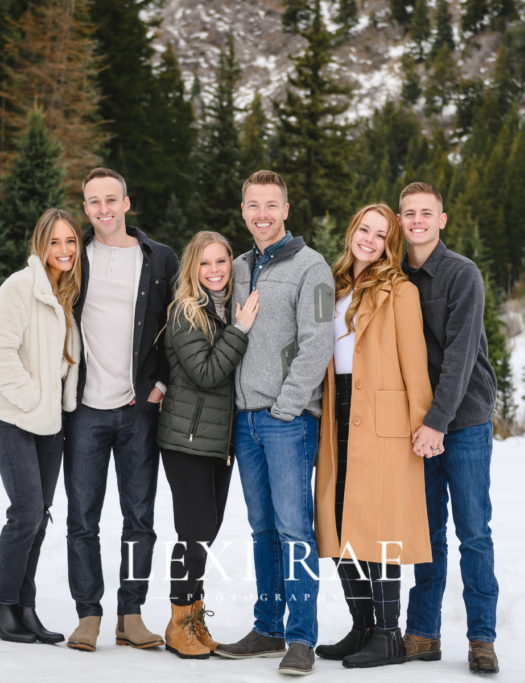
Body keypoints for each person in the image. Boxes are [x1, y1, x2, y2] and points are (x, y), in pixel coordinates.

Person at [214, 170, 335, 676]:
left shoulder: (315, 268)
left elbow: (319, 340)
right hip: (244, 423)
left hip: (288, 422)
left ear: (285, 209)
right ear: (243, 210)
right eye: (252, 205)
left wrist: (287, 405)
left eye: (271, 205)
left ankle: (302, 637)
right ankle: (268, 627)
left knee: (293, 530)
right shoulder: (238, 266)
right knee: (262, 529)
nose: (261, 214)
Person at [63, 168, 179, 653]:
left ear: (127, 203)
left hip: (138, 409)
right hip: (85, 409)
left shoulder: (160, 259)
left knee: (140, 518)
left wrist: (162, 383)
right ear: (85, 207)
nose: (103, 209)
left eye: (112, 199)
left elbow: (179, 324)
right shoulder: (73, 257)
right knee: (82, 518)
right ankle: (88, 615)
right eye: (94, 202)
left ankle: (130, 614)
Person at [312, 203, 433, 668]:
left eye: (381, 235)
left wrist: (422, 422)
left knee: (379, 527)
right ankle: (362, 626)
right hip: (336, 410)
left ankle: (387, 635)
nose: (370, 239)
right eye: (365, 229)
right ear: (352, 232)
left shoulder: (399, 291)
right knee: (341, 520)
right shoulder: (335, 283)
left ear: (390, 244)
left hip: (383, 418)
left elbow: (415, 362)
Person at [398, 182, 499, 674]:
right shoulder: (394, 277)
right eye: (409, 213)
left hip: (464, 422)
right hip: (417, 426)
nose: (417, 220)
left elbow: (459, 358)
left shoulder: (463, 274)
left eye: (426, 213)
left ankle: (482, 638)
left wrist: (436, 423)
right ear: (401, 221)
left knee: (474, 532)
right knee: (427, 532)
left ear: (442, 219)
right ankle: (422, 633)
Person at [0, 208, 83, 645]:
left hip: (50, 424)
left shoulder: (66, 293)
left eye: (71, 242)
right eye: (55, 242)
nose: (64, 250)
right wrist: (33, 399)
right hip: (13, 419)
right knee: (24, 514)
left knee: (38, 518)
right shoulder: (18, 288)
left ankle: (24, 609)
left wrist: (55, 408)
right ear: (41, 246)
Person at [156, 231, 260, 659]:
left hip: (218, 440)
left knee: (206, 532)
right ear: (192, 269)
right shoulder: (185, 311)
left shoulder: (223, 309)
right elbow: (206, 373)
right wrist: (241, 329)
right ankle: (179, 621)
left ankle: (194, 616)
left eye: (222, 262)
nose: (215, 271)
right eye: (205, 263)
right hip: (187, 439)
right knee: (194, 532)